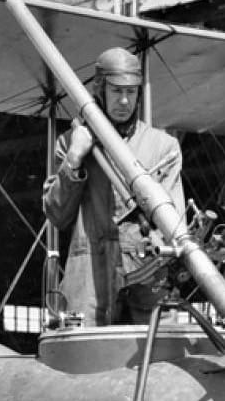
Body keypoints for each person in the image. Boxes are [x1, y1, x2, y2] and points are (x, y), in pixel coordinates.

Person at [42, 46, 185, 325]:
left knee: (154, 361)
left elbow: (175, 225)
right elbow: (56, 215)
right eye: (116, 91)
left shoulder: (164, 148)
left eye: (131, 92)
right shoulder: (71, 142)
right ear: (100, 91)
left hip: (144, 281)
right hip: (88, 281)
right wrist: (74, 158)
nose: (123, 101)